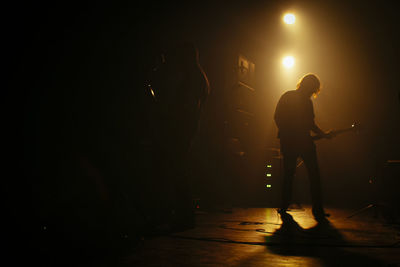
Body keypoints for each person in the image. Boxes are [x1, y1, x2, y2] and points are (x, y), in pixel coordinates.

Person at [274, 73, 333, 221]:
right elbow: (310, 124)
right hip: (304, 142)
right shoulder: (306, 102)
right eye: (313, 90)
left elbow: (277, 117)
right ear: (311, 88)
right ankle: (317, 210)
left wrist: (287, 133)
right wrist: (323, 134)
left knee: (289, 174)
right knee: (314, 175)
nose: (313, 93)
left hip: (289, 142)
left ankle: (283, 206)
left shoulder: (287, 96)